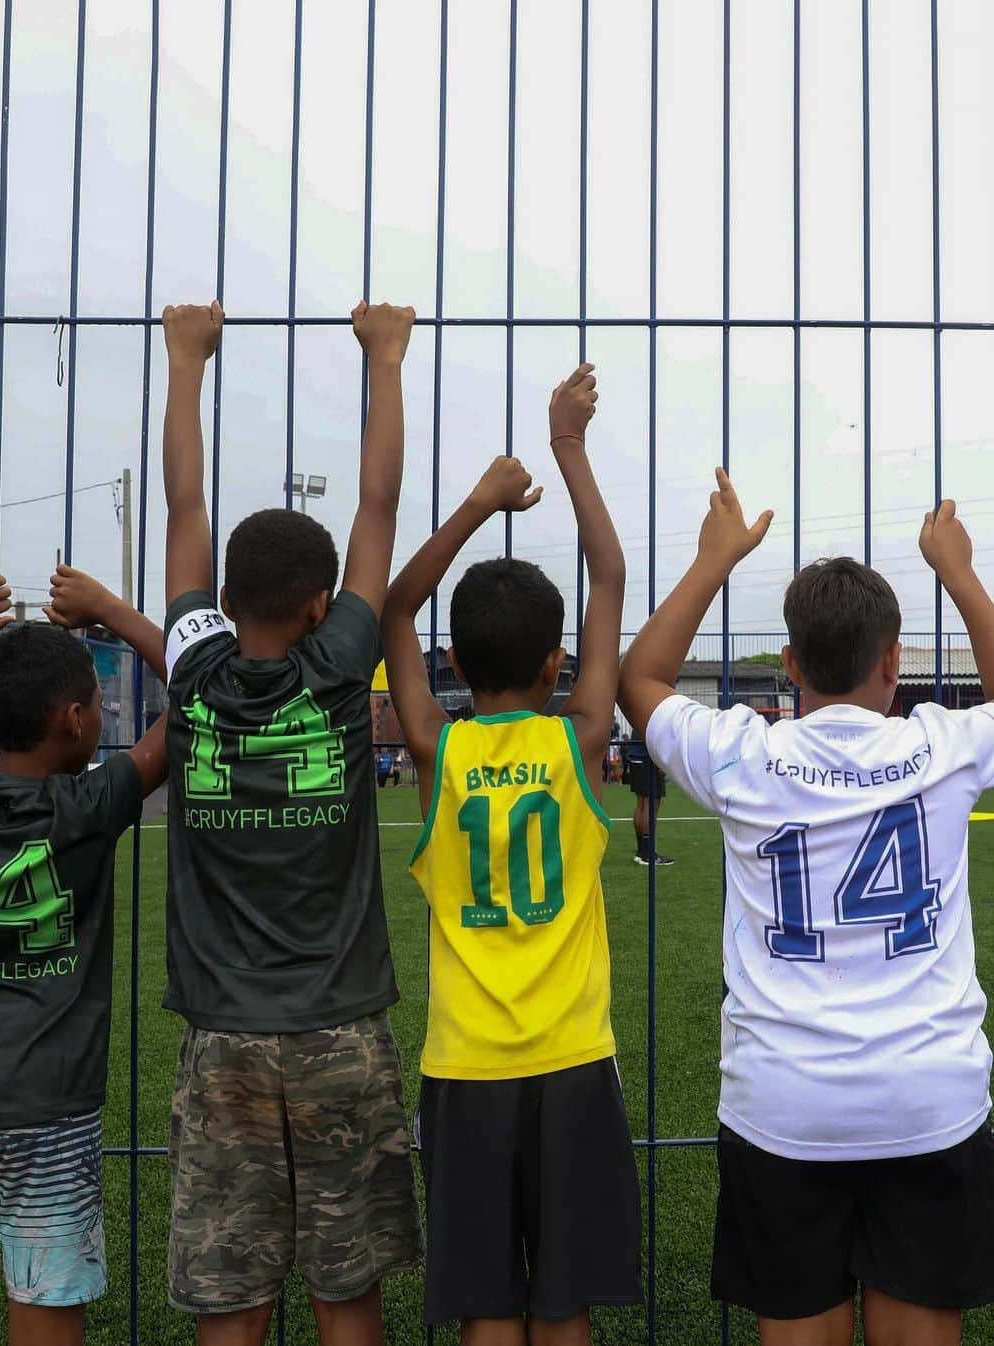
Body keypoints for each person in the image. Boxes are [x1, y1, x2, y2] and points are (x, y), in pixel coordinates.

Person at [619, 476, 994, 1346]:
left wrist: (716, 562)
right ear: (896, 660)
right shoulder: (941, 744)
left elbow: (641, 677)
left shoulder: (741, 753)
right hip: (927, 1095)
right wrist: (960, 573)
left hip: (783, 1104)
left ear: (789, 666)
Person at [159, 299, 422, 1346]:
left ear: (221, 597)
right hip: (342, 1025)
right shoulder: (336, 666)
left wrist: (186, 363)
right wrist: (387, 360)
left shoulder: (194, 666)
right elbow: (379, 502)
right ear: (322, 606)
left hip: (221, 1030)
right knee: (344, 1284)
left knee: (233, 1283)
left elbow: (183, 502)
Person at [382, 364, 642, 1345]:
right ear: (554, 663)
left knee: (488, 1303)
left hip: (466, 1065)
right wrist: (567, 444)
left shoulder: (434, 747)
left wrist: (480, 503)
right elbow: (611, 571)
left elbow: (399, 609)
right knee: (561, 1299)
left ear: (453, 664)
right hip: (573, 1060)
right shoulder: (577, 740)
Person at [0, 569, 167, 1346]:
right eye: (96, 700)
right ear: (73, 719)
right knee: (46, 1297)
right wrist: (110, 613)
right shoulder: (94, 804)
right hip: (48, 1105)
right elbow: (202, 692)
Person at [622, 737, 673, 868]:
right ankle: (647, 853)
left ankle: (642, 850)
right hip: (648, 759)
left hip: (637, 757)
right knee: (651, 803)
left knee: (642, 803)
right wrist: (661, 760)